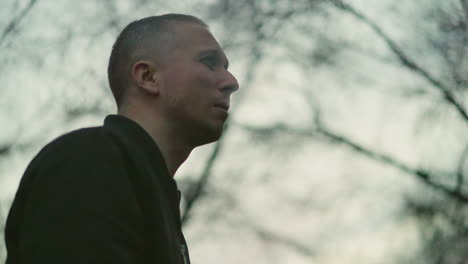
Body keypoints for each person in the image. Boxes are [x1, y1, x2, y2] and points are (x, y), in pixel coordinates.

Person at [4, 14, 239, 264]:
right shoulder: (90, 160)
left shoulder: (149, 189)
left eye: (226, 67)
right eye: (209, 62)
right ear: (147, 77)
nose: (231, 82)